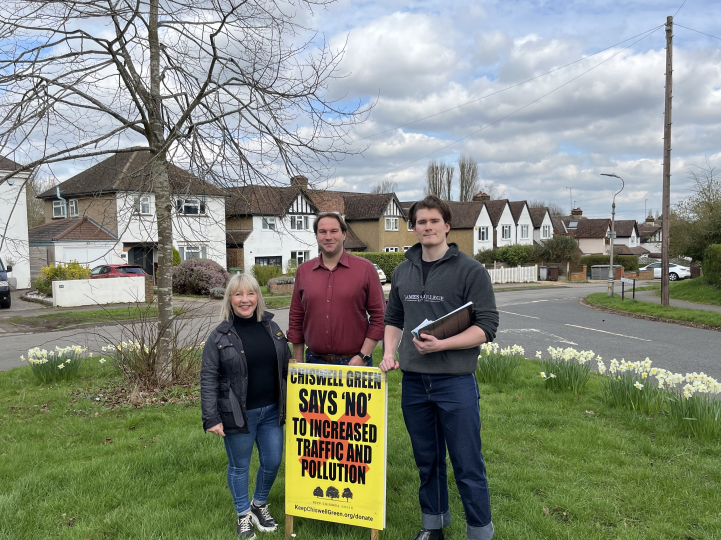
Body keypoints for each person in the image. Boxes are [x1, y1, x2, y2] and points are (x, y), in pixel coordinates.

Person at [380, 196, 499, 540]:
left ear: (447, 226)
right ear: (413, 227)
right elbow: (394, 318)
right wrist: (389, 351)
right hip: (415, 382)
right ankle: (433, 527)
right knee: (427, 462)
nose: (427, 227)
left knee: (467, 464)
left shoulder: (470, 270)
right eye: (421, 222)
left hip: (455, 382)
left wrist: (443, 344)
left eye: (434, 221)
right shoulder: (402, 270)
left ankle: (480, 532)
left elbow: (487, 326)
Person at [201, 274, 290, 540]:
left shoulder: (272, 328)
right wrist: (211, 417)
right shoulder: (219, 336)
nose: (245, 300)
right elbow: (208, 378)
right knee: (239, 466)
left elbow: (285, 366)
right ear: (230, 298)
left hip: (272, 410)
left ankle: (258, 505)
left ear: (257, 297)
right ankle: (243, 515)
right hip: (237, 413)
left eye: (250, 294)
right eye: (238, 294)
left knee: (272, 461)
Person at [287, 211, 385, 366]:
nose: (328, 237)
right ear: (317, 236)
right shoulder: (303, 271)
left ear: (344, 234)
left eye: (334, 231)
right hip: (313, 363)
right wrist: (299, 362)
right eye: (322, 232)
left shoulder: (365, 269)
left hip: (355, 362)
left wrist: (363, 356)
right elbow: (296, 319)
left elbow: (380, 316)